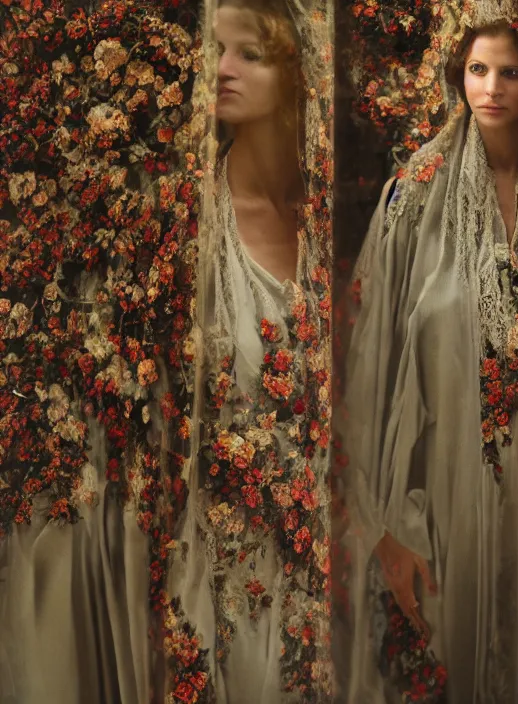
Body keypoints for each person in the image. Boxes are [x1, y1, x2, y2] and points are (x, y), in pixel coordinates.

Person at [342, 18, 518, 703]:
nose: (490, 88)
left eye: (510, 72)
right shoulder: (415, 197)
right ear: (457, 73)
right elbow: (371, 360)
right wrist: (378, 528)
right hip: (444, 490)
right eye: (478, 70)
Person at [166, 1, 310, 701]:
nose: (221, 71)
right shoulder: (193, 221)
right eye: (215, 51)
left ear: (295, 69)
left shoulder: (334, 219)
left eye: (248, 54)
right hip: (235, 583)